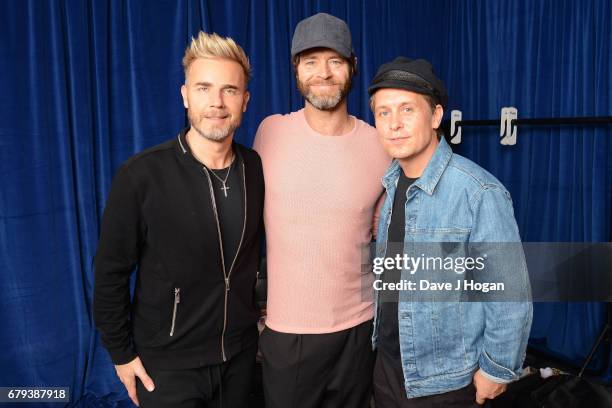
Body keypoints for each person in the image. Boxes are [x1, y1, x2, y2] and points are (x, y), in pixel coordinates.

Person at [93, 31, 264, 408]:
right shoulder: (141, 175)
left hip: (239, 359)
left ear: (245, 101)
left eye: (229, 90)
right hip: (168, 367)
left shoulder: (254, 167)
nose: (216, 103)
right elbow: (110, 274)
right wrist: (121, 355)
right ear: (185, 95)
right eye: (203, 88)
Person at [368, 57, 532, 407]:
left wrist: (498, 369)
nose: (393, 124)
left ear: (437, 116)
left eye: (407, 109)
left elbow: (509, 293)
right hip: (389, 370)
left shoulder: (478, 192)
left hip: (447, 382)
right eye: (383, 113)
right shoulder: (390, 185)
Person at [253, 12, 390, 408]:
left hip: (359, 328)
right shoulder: (270, 132)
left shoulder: (379, 144)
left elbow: (384, 232)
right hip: (287, 331)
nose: (323, 73)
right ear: (296, 70)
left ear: (352, 67)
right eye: (310, 61)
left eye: (335, 60)